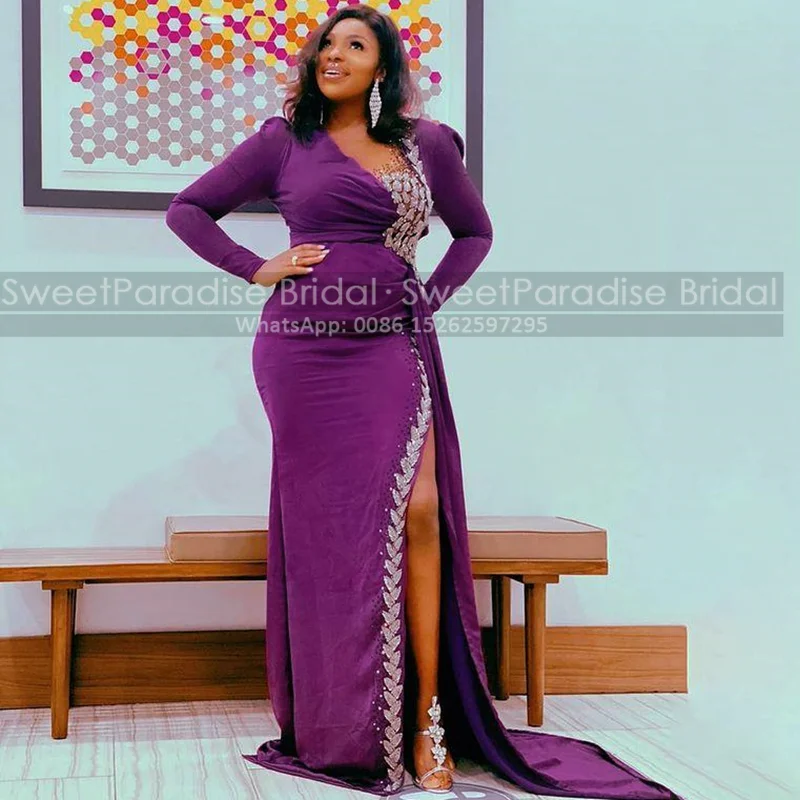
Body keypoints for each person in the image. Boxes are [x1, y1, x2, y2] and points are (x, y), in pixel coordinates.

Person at [166, 4, 681, 798]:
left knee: (420, 512)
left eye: (354, 45)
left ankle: (428, 721)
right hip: (300, 353)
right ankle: (346, 723)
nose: (333, 54)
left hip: (389, 344)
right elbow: (187, 210)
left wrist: (427, 298)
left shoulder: (425, 144)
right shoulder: (283, 141)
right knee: (334, 532)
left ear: (382, 67)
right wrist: (254, 266)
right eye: (326, 44)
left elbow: (475, 232)